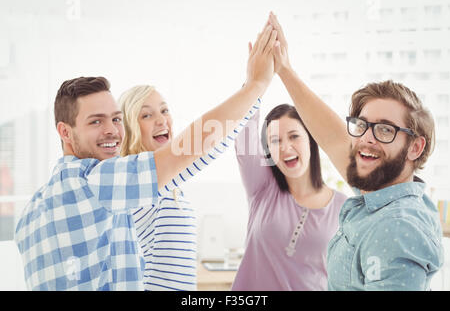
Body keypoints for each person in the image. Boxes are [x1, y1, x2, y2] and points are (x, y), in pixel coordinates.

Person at [14, 24, 278, 290]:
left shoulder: (31, 213)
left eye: (115, 119)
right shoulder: (100, 184)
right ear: (65, 132)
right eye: (96, 122)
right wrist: (255, 86)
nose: (111, 130)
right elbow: (194, 149)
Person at [268, 12, 444, 290]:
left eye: (385, 129)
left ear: (415, 147)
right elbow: (334, 138)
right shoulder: (386, 195)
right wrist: (285, 70)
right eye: (361, 125)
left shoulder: (398, 226)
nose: (366, 139)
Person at [119, 84, 262, 291]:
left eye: (164, 110)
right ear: (130, 127)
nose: (161, 120)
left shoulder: (168, 185)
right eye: (147, 115)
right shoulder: (139, 180)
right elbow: (211, 142)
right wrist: (255, 88)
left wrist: (253, 91)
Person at [232, 102, 347, 291]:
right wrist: (258, 81)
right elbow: (244, 133)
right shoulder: (263, 188)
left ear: (310, 139)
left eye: (294, 136)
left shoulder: (343, 207)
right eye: (275, 141)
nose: (285, 147)